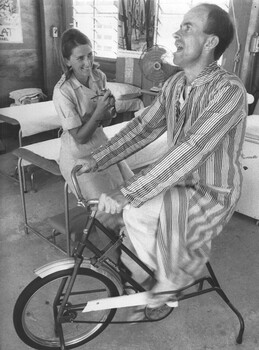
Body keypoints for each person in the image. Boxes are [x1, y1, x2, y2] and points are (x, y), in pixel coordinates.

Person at [77, 3, 248, 311]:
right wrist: (98, 158)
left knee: (136, 209)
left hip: (212, 193)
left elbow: (191, 149)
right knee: (133, 213)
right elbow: (142, 129)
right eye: (180, 26)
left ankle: (169, 281)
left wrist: (128, 191)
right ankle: (147, 280)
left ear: (211, 43)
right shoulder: (175, 84)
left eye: (188, 28)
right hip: (180, 183)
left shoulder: (229, 90)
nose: (176, 33)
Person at [53, 28, 133, 227]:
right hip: (77, 155)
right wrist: (98, 113)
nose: (87, 63)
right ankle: (112, 254)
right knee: (105, 212)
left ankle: (126, 249)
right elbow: (79, 137)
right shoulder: (63, 91)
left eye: (90, 55)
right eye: (80, 58)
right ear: (67, 61)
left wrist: (108, 111)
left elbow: (104, 123)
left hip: (101, 146)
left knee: (128, 197)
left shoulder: (99, 76)